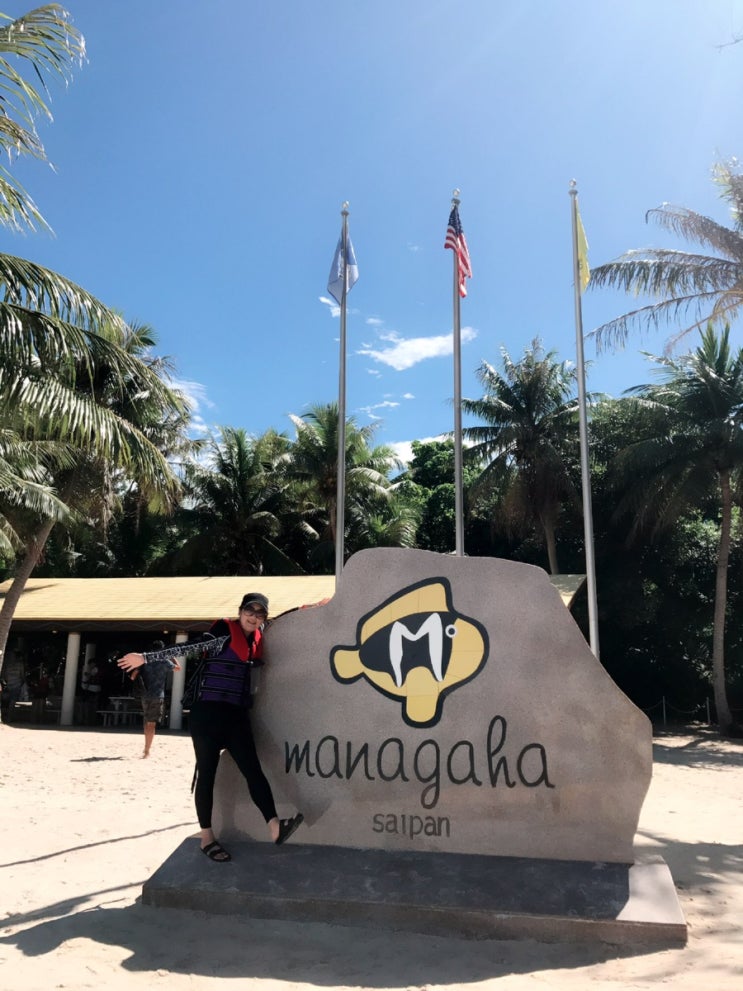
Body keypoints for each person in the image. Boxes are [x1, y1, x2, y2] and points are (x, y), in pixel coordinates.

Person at [117, 592, 304, 862]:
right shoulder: (222, 635)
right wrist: (146, 657)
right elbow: (187, 648)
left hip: (236, 716)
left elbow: (283, 619)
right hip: (207, 715)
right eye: (249, 611)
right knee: (207, 774)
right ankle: (207, 838)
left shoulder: (257, 636)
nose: (253, 617)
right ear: (240, 612)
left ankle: (275, 826)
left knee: (253, 770)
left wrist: (311, 606)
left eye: (259, 613)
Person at [130, 639, 173, 758]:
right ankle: (147, 750)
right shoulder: (164, 661)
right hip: (157, 695)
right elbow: (178, 668)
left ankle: (146, 747)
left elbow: (133, 676)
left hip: (145, 694)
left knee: (147, 720)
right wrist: (172, 657)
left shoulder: (145, 660)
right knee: (151, 723)